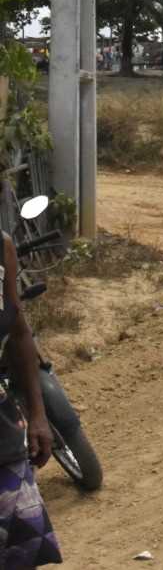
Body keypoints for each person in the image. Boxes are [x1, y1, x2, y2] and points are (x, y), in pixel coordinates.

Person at [0, 233, 62, 566]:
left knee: (22, 554)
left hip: (5, 439)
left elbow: (19, 332)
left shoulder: (2, 246)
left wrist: (38, 415)